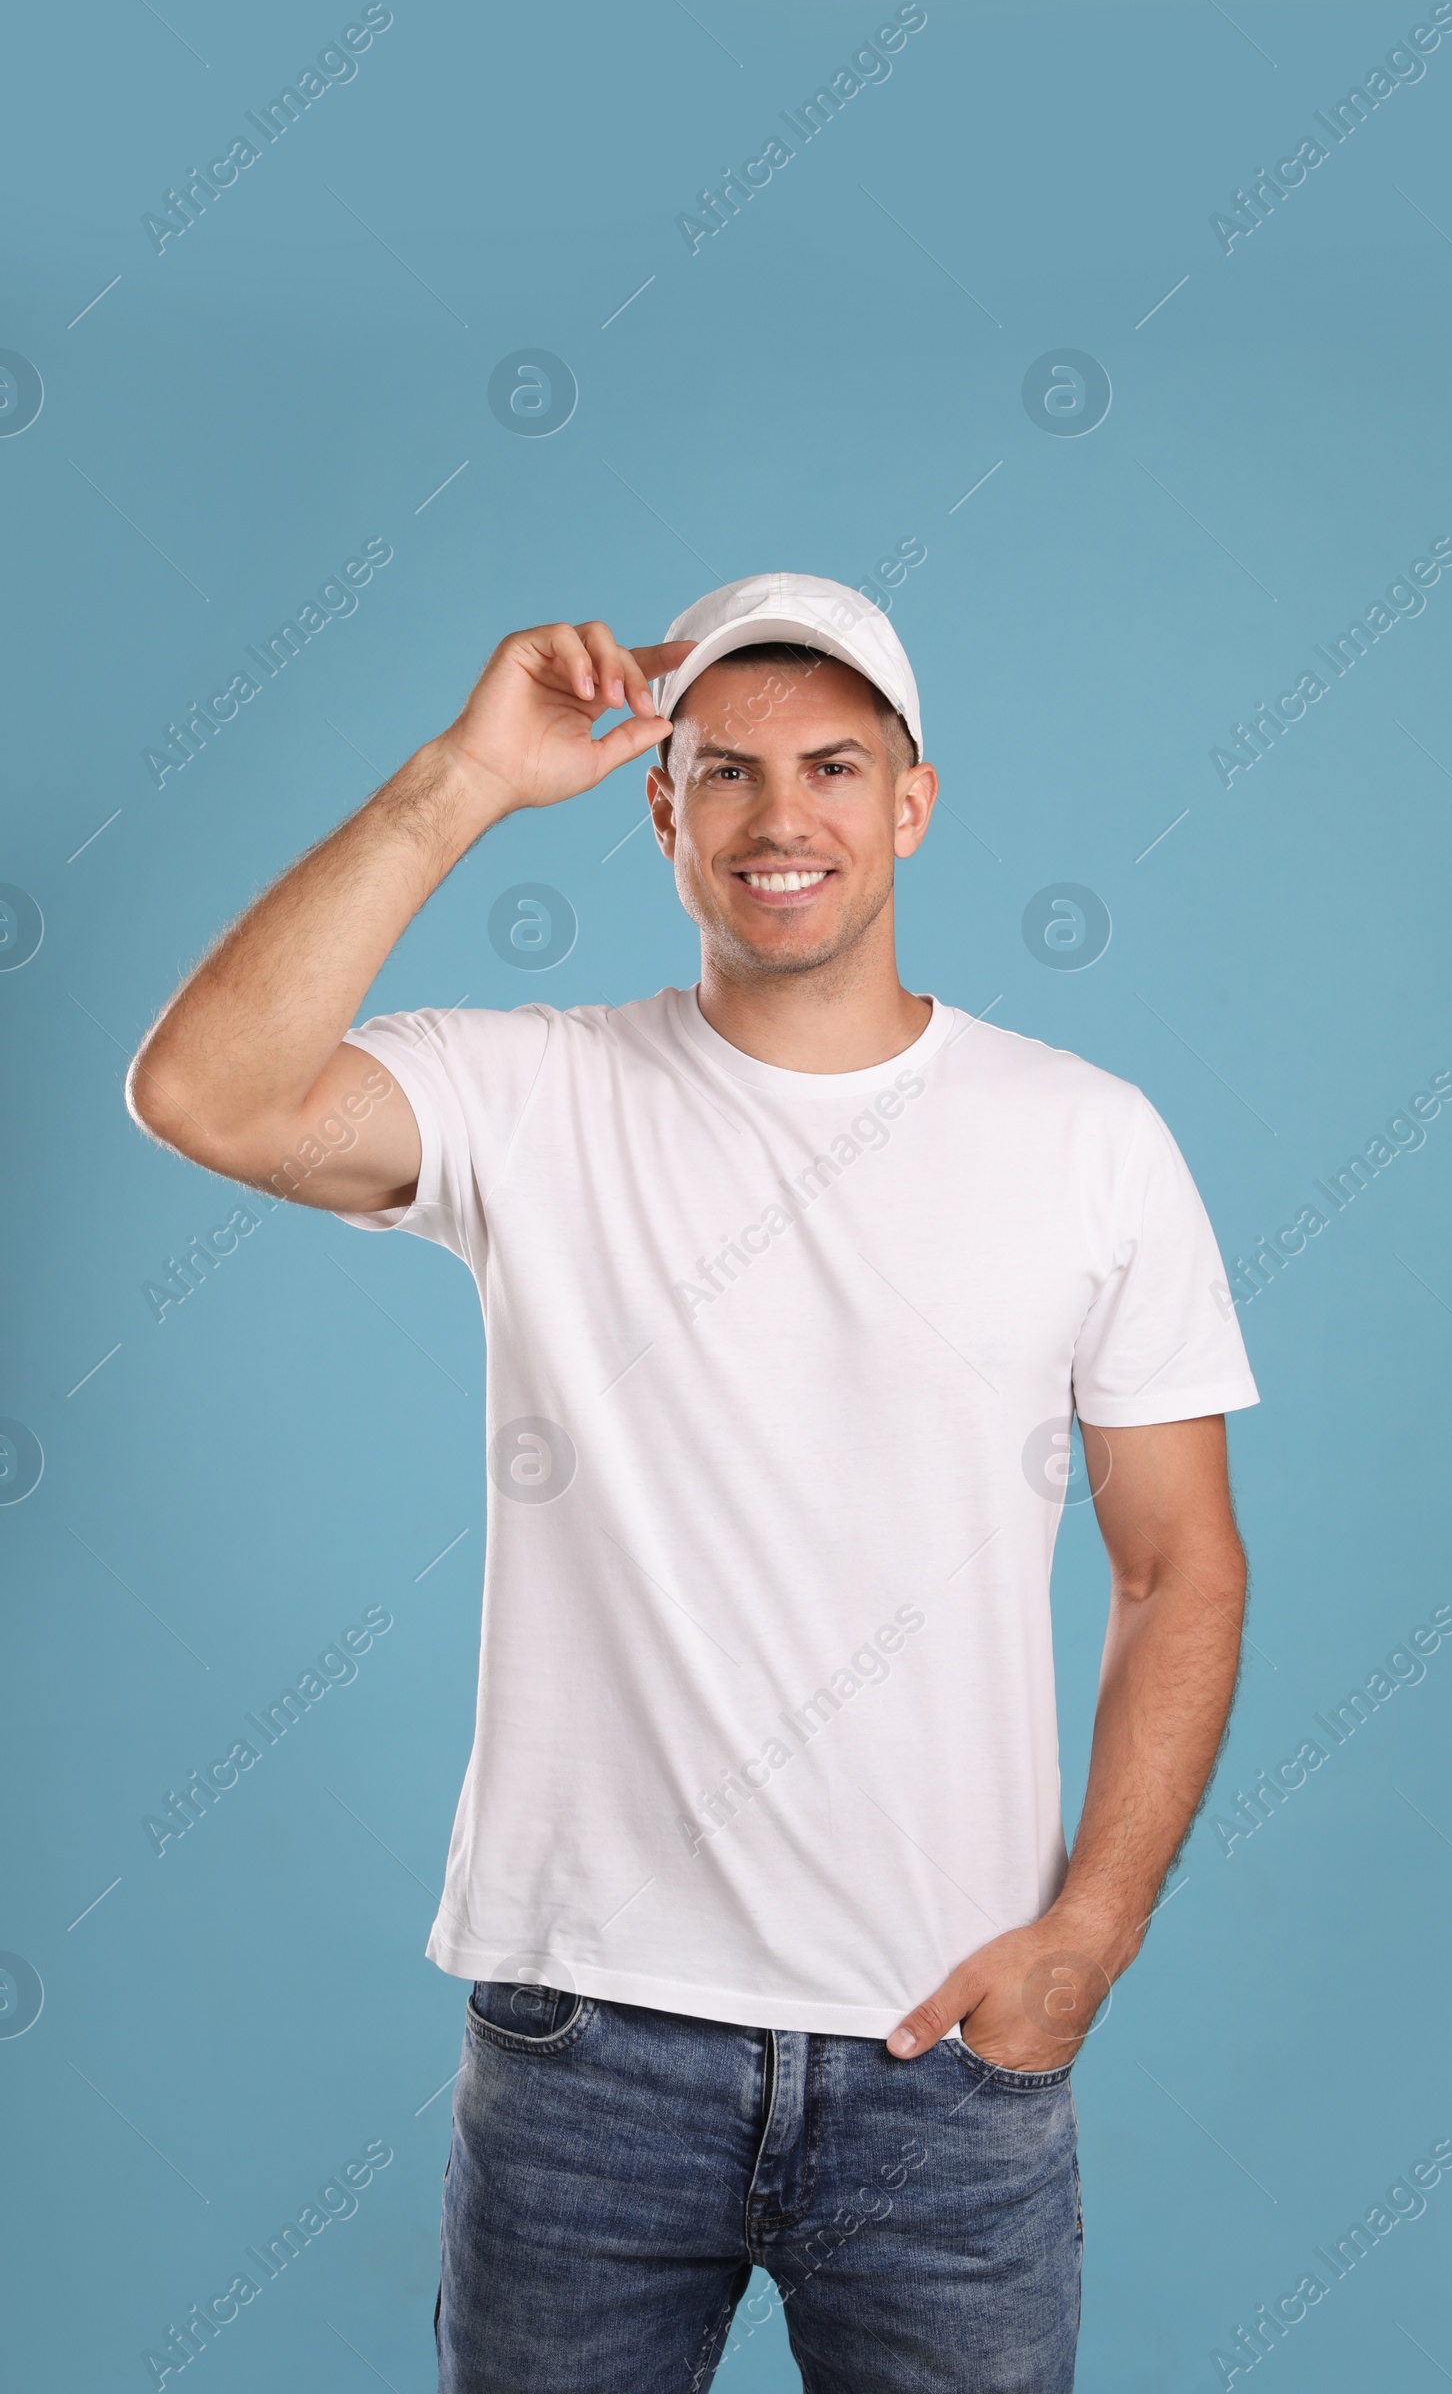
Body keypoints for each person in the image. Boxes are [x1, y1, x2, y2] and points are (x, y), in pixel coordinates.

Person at [128, 571, 1258, 2392]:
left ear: (914, 800)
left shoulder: (1088, 1142)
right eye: (725, 772)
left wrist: (1089, 1940)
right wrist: (459, 782)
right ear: (659, 809)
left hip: (943, 2061)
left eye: (832, 765)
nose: (780, 818)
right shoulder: (537, 1100)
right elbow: (207, 1092)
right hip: (589, 2061)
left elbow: (1178, 1566)